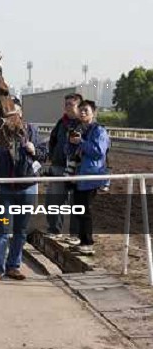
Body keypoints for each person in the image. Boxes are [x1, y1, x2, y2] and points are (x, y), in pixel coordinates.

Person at [0, 104, 48, 283]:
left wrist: (34, 151)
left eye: (15, 113)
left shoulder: (32, 130)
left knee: (20, 230)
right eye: (8, 114)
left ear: (21, 114)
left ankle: (14, 266)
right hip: (6, 188)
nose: (12, 117)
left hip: (28, 187)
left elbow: (44, 155)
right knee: (2, 230)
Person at [66, 100, 110, 255]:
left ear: (93, 113)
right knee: (78, 209)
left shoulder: (99, 130)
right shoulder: (79, 129)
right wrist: (71, 142)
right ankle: (82, 240)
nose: (83, 113)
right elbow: (70, 150)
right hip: (78, 175)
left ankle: (88, 243)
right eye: (81, 110)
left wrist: (81, 142)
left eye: (86, 110)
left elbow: (98, 151)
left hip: (91, 175)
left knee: (85, 210)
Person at [45, 93, 82, 241]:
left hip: (78, 169)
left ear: (79, 107)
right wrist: (53, 157)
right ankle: (54, 230)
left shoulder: (84, 124)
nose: (67, 107)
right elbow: (52, 141)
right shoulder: (61, 123)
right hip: (59, 167)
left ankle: (75, 234)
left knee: (76, 203)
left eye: (70, 104)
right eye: (66, 104)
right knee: (54, 201)